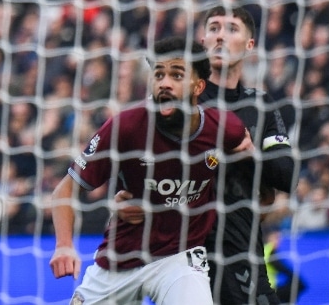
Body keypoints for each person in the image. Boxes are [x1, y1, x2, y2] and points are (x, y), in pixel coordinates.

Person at [49, 37, 254, 305]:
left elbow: (246, 156)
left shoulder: (225, 128)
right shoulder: (126, 126)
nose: (164, 83)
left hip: (179, 258)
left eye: (176, 75)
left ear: (198, 86)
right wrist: (64, 245)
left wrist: (247, 158)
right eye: (158, 75)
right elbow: (64, 190)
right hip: (121, 259)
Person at [200, 5, 296, 304]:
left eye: (231, 29)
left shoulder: (260, 105)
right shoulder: (185, 102)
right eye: (214, 28)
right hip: (186, 248)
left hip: (241, 247)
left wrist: (251, 154)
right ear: (203, 41)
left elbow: (287, 175)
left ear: (249, 45)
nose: (220, 36)